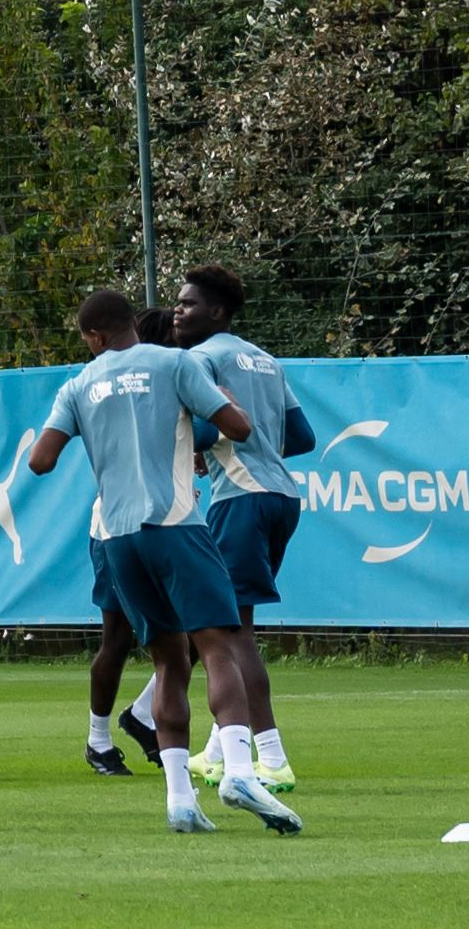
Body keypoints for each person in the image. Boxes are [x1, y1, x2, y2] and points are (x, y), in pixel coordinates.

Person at [24, 287, 295, 836]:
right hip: (176, 525)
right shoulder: (175, 362)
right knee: (218, 644)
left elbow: (40, 461)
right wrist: (218, 406)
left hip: (119, 539)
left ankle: (179, 800)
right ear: (129, 323)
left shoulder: (77, 385)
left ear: (95, 337)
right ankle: (241, 771)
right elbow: (238, 429)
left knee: (168, 660)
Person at [171, 267, 311, 795]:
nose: (178, 310)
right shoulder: (266, 360)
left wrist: (210, 447)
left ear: (218, 312)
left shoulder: (201, 359)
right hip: (282, 497)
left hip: (242, 499)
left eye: (188, 303)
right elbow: (301, 435)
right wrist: (249, 448)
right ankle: (214, 753)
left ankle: (271, 757)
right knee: (230, 625)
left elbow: (205, 425)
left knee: (231, 634)